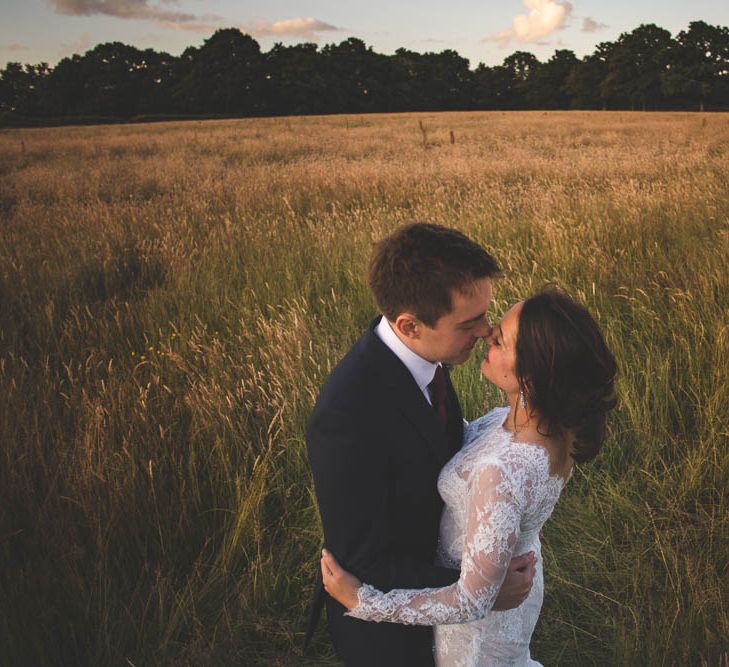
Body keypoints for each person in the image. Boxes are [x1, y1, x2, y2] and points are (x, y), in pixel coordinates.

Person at [320, 288, 618, 666]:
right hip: (506, 595)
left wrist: (365, 602)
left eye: (501, 339)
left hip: (479, 636)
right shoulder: (527, 425)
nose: (487, 333)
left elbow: (471, 600)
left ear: (530, 376)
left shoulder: (505, 470)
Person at [305, 223, 537, 666]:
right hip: (391, 635)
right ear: (409, 325)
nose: (487, 332)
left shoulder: (430, 353)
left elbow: (439, 453)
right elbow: (365, 563)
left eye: (485, 315)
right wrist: (482, 587)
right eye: (470, 323)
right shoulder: (345, 415)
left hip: (447, 611)